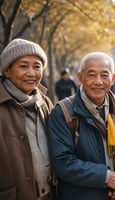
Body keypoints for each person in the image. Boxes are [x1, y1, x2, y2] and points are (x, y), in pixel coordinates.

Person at [47, 52, 115, 200]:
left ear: (112, 78)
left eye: (104, 75)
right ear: (80, 77)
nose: (98, 82)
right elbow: (63, 161)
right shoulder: (64, 112)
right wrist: (107, 177)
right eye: (91, 75)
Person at [0, 38, 54, 199]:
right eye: (23, 66)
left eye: (37, 66)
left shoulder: (45, 103)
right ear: (7, 71)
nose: (31, 73)